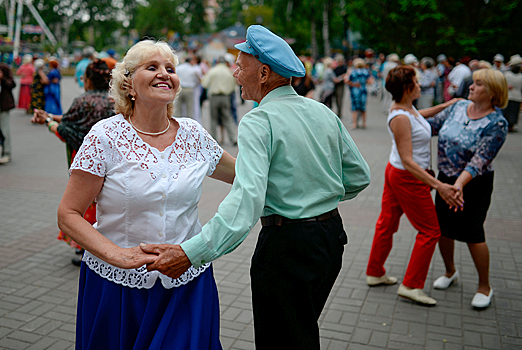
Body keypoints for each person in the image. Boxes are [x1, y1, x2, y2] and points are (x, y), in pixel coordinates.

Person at [140, 25, 371, 349]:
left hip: (287, 248)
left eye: (240, 64)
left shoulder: (258, 120)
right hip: (330, 238)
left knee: (282, 340)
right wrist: (316, 195)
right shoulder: (320, 110)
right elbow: (360, 175)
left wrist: (191, 253)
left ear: (263, 73)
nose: (235, 72)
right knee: (302, 328)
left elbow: (246, 201)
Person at [56, 39, 235, 349]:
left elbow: (247, 177)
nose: (164, 74)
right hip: (118, 289)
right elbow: (68, 215)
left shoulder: (193, 134)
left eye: (170, 69)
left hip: (188, 283)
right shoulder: (105, 136)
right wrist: (119, 256)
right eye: (151, 67)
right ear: (130, 84)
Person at [366, 65, 462, 306]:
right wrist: (438, 185)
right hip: (406, 176)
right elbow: (408, 161)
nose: (421, 85)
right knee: (430, 231)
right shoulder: (399, 117)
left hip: (397, 172)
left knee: (386, 223)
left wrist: (446, 106)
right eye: (416, 83)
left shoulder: (407, 109)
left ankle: (375, 272)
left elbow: (420, 116)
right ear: (408, 89)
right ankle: (411, 285)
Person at [430, 69, 508, 309]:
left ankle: (485, 286)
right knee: (442, 228)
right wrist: (402, 115)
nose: (471, 87)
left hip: (473, 184)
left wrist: (458, 186)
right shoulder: (457, 107)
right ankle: (450, 271)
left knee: (473, 234)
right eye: (472, 83)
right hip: (446, 180)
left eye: (478, 84)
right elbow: (430, 127)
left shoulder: (497, 123)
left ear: (493, 92)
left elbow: (480, 160)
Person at [31, 60, 114, 265]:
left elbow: (67, 129)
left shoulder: (82, 100)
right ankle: (107, 245)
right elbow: (70, 120)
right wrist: (51, 116)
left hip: (85, 163)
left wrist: (48, 122)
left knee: (83, 206)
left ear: (87, 81)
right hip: (112, 162)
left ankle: (87, 248)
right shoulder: (115, 101)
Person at [201, 56, 237, 145]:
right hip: (226, 97)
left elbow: (204, 84)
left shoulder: (212, 71)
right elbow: (234, 85)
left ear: (217, 62)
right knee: (227, 117)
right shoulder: (229, 72)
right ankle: (233, 138)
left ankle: (214, 139)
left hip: (214, 97)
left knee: (213, 118)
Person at [347, 57, 371, 129]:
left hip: (355, 91)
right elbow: (370, 81)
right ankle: (364, 123)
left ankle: (354, 123)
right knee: (363, 107)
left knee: (354, 107)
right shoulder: (366, 71)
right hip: (363, 91)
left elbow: (348, 80)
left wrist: (354, 84)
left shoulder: (353, 71)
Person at [0, 63, 16, 164]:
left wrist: (2, 79)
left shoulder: (4, 68)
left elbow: (12, 84)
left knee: (4, 128)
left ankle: (6, 153)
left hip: (3, 105)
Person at [502, 56, 522, 132]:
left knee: (507, 111)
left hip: (508, 95)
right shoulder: (521, 77)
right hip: (517, 96)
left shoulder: (506, 74)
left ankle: (506, 125)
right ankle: (512, 125)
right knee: (514, 112)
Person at [333, 53, 347, 118]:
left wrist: (340, 78)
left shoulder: (344, 68)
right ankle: (336, 111)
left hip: (340, 85)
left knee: (339, 99)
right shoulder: (335, 68)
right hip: (334, 85)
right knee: (335, 99)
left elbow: (345, 76)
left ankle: (339, 112)